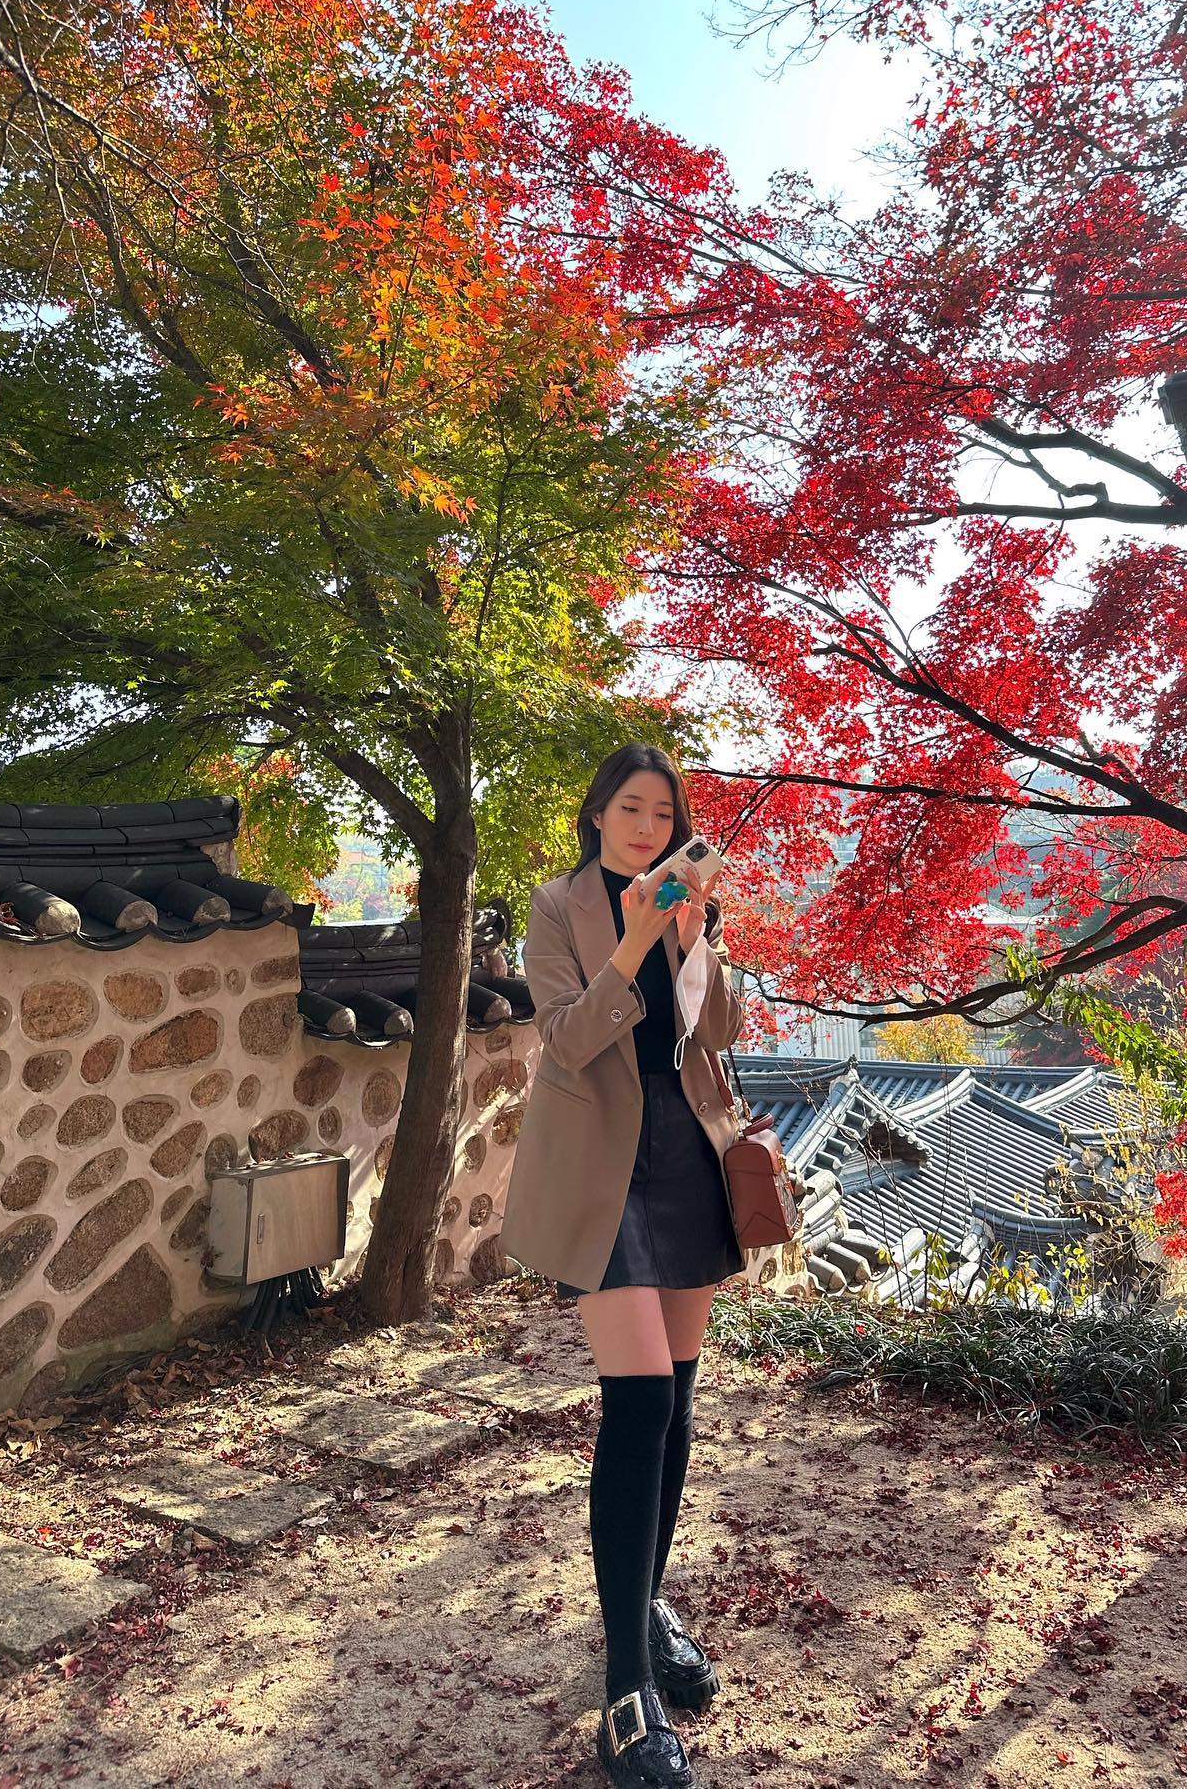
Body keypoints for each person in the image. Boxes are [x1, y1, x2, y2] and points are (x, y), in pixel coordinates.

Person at [499, 741, 746, 1789]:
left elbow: (722, 1031)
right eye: (632, 807)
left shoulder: (688, 904)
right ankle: (625, 1687)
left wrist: (692, 941)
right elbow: (565, 1039)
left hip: (684, 1154)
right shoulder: (558, 906)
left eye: (665, 813)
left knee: (678, 1399)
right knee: (637, 1401)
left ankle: (645, 1600)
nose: (649, 827)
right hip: (601, 1168)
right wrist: (633, 939)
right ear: (598, 811)